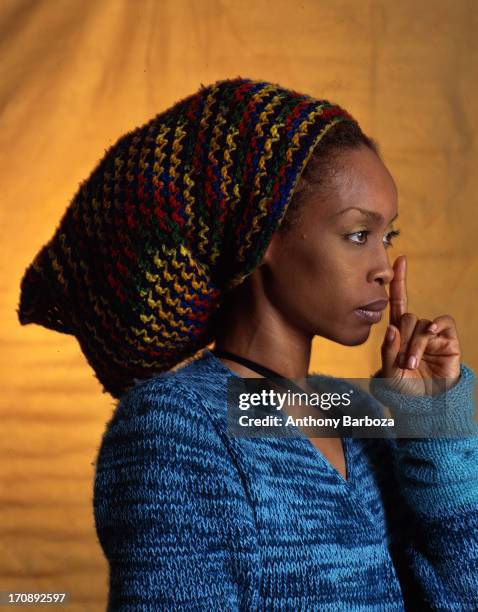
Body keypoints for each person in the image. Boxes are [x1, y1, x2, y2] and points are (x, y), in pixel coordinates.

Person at [18, 78, 478, 610]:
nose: (383, 268)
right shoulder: (176, 427)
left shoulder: (350, 410)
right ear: (263, 236)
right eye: (358, 235)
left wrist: (433, 423)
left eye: (387, 237)